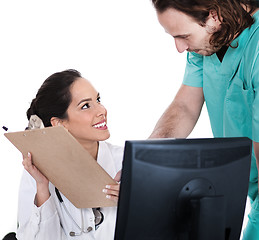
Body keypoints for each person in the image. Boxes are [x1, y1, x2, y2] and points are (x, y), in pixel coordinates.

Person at [149, 0, 259, 239]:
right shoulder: (209, 42)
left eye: (183, 36)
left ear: (214, 16)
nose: (179, 47)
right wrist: (146, 163)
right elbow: (185, 106)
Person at [16, 69, 123, 240]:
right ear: (59, 123)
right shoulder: (36, 171)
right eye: (86, 106)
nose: (101, 110)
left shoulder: (126, 163)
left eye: (98, 100)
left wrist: (134, 204)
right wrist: (43, 188)